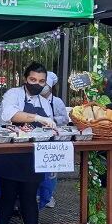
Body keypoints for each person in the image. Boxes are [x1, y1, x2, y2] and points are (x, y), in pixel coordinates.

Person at [0, 62, 55, 224]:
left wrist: (50, 125)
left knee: (30, 197)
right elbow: (9, 114)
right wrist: (38, 117)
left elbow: (50, 124)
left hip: (34, 156)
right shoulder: (13, 94)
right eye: (33, 80)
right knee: (7, 198)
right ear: (25, 79)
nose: (37, 84)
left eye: (41, 81)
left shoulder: (45, 102)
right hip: (10, 154)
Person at [38, 71, 69, 209]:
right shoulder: (34, 99)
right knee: (37, 169)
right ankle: (36, 194)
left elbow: (65, 119)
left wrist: (52, 120)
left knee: (50, 172)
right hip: (38, 139)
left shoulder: (57, 102)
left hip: (53, 141)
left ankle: (48, 195)